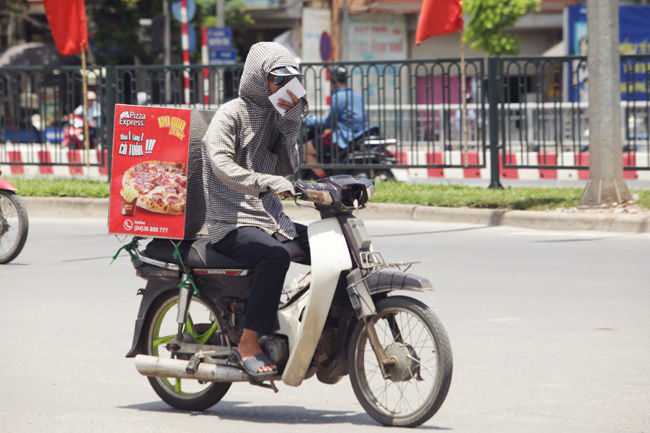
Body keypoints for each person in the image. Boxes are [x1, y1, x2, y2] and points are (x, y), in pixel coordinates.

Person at [202, 42, 310, 377]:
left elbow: (288, 168)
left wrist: (290, 128)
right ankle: (248, 341)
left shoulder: (277, 116)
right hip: (230, 220)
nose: (286, 87)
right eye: (279, 79)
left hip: (268, 216)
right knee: (274, 256)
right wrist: (263, 181)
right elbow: (217, 160)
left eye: (291, 79)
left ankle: (305, 321)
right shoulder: (232, 113)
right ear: (258, 78)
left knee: (327, 244)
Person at [303, 66, 367, 177]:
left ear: (332, 80)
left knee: (302, 149)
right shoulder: (356, 95)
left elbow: (328, 123)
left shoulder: (338, 96)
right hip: (358, 135)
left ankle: (323, 177)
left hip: (342, 136)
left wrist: (306, 121)